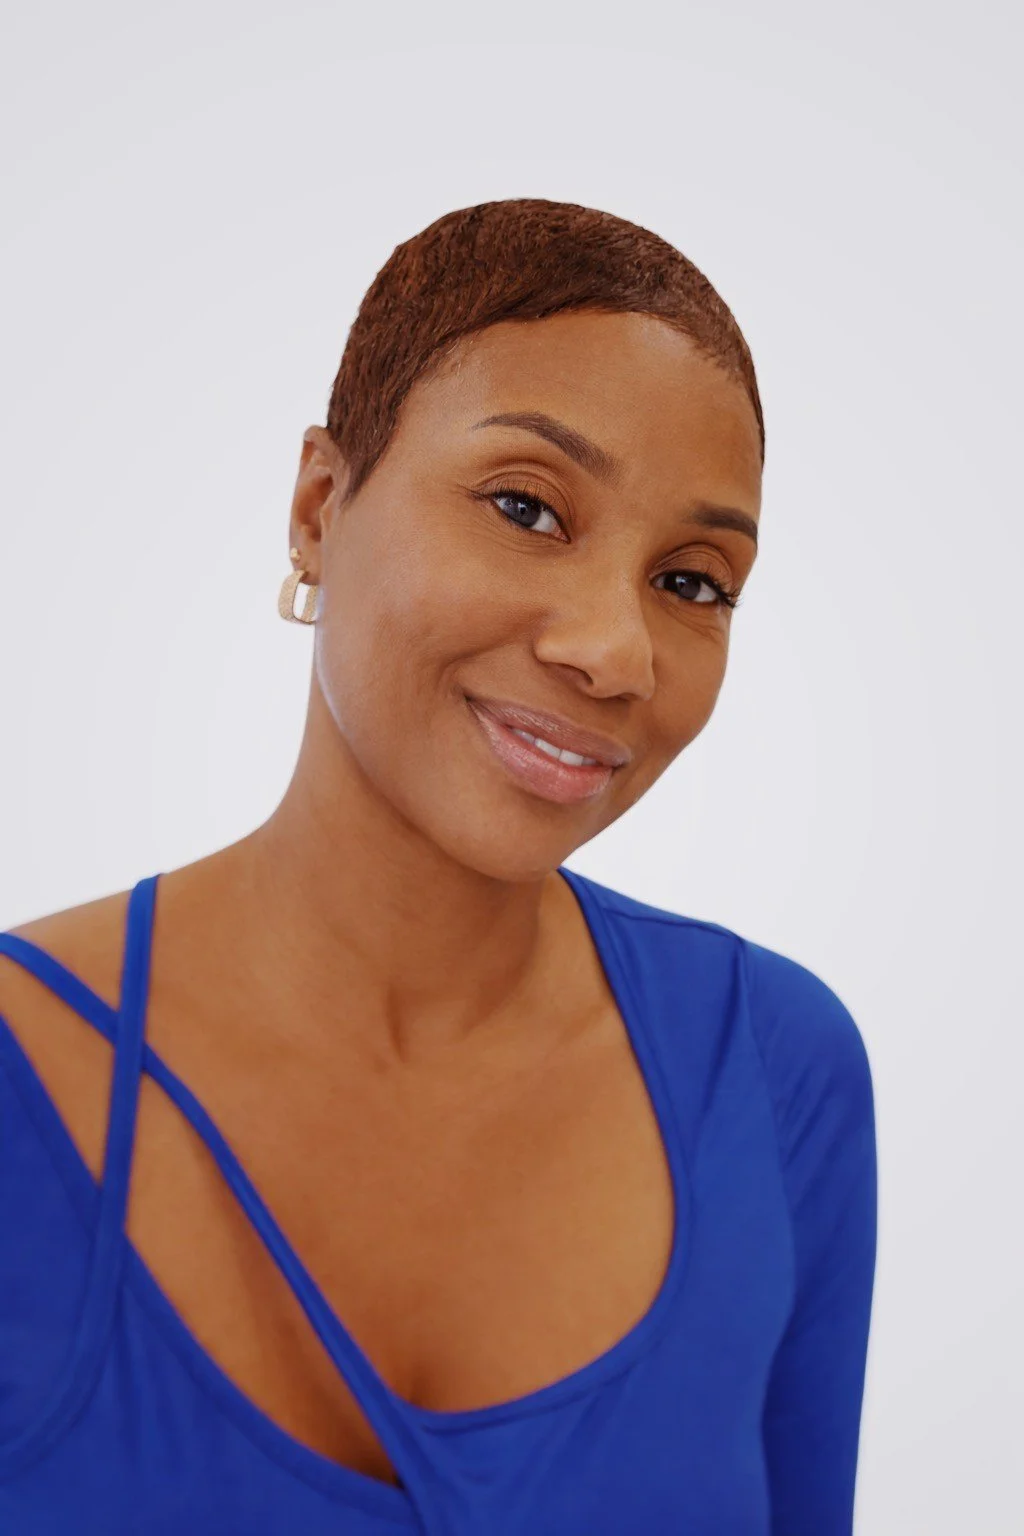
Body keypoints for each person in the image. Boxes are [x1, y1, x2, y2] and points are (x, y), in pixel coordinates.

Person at [0, 198, 877, 1535]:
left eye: (693, 583)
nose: (615, 651)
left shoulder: (770, 1071)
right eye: (527, 506)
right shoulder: (24, 1076)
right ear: (317, 505)